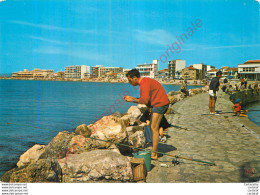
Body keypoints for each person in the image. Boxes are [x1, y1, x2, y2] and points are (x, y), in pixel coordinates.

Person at [124, 69, 169, 160]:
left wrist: (132, 100)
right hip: (157, 103)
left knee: (153, 127)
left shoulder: (144, 84)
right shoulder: (144, 82)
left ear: (135, 78)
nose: (129, 82)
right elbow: (146, 99)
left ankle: (154, 154)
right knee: (153, 127)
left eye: (130, 80)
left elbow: (144, 101)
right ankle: (154, 150)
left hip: (160, 104)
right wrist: (133, 98)